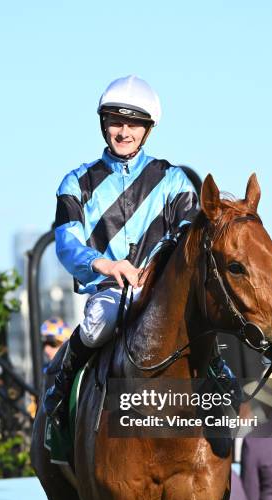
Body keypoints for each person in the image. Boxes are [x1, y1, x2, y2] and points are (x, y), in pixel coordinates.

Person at [44, 75, 198, 423]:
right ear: (104, 124)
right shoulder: (76, 182)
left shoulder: (173, 179)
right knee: (100, 322)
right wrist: (104, 264)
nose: (124, 131)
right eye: (116, 121)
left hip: (161, 290)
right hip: (110, 292)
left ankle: (228, 397)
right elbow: (67, 242)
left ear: (148, 130)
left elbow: (191, 233)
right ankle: (60, 390)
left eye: (134, 124)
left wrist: (158, 266)